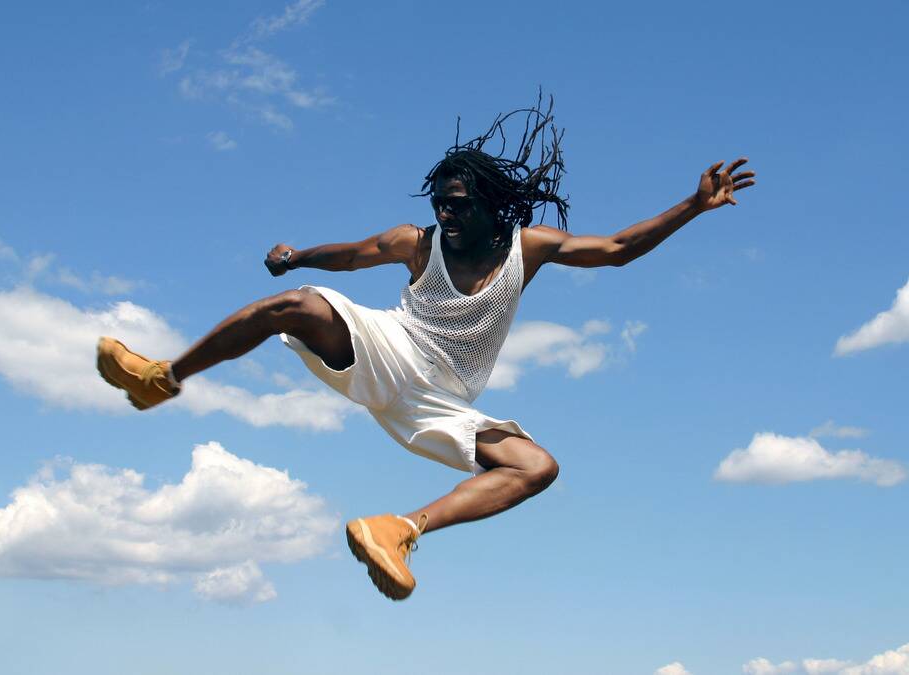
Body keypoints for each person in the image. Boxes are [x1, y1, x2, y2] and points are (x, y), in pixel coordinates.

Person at [96, 99, 755, 601]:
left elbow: (615, 250)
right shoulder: (417, 243)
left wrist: (692, 207)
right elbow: (349, 256)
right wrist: (296, 255)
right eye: (440, 204)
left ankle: (399, 529)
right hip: (389, 346)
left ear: (491, 205)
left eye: (459, 205)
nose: (447, 216)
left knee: (538, 466)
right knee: (296, 303)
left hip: (440, 401)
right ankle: (161, 376)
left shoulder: (529, 247)